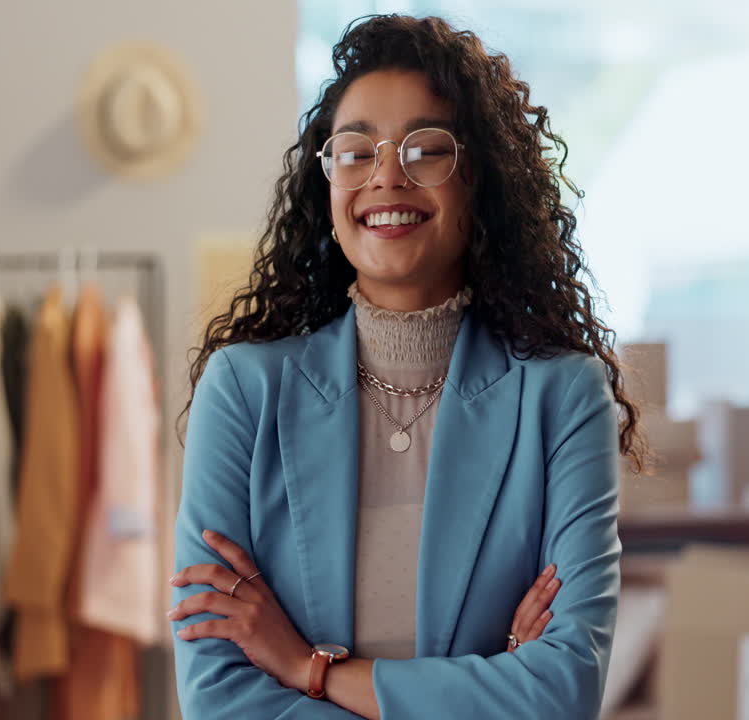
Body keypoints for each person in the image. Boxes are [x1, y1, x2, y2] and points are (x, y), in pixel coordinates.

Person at [167, 14, 643, 719]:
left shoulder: (563, 396)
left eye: (426, 149)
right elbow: (218, 695)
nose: (387, 176)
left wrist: (310, 669)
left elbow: (562, 692)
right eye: (356, 151)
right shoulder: (244, 392)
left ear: (477, 178)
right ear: (326, 184)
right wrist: (485, 689)